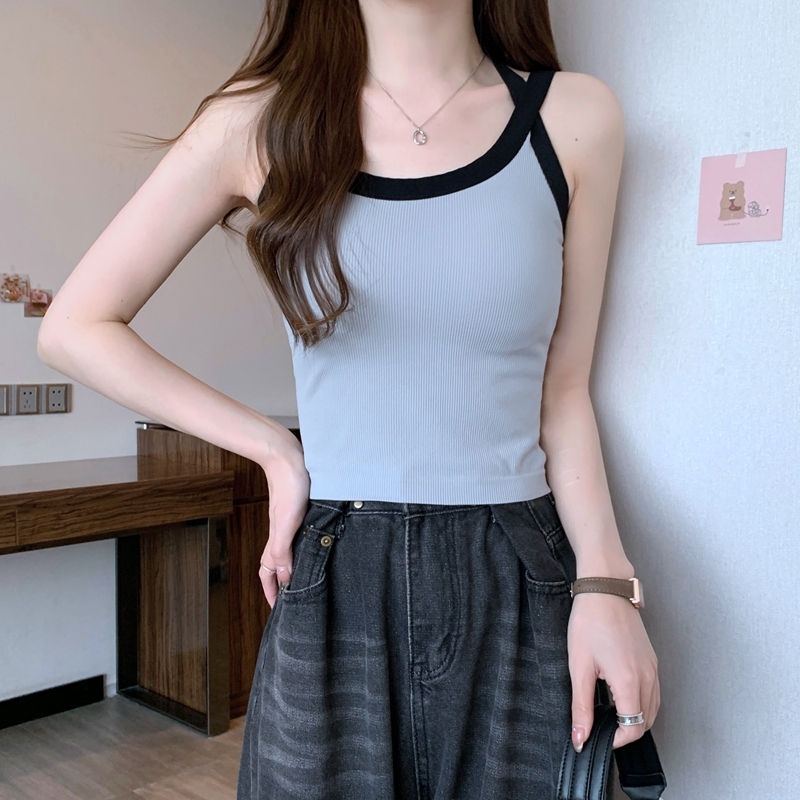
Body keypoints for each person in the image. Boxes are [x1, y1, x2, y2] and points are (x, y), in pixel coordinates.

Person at [37, 0, 660, 798]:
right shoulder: (257, 123)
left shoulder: (574, 117)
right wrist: (275, 450)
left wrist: (607, 583)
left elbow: (562, 390)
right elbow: (76, 327)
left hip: (518, 567)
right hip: (338, 571)